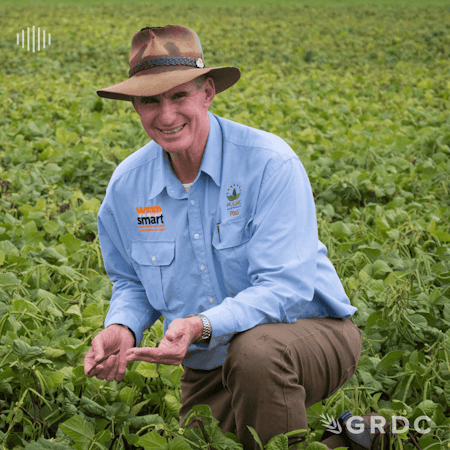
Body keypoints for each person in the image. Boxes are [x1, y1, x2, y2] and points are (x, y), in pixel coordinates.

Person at [84, 25, 386, 450]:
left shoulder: (268, 163)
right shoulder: (128, 187)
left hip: (309, 332)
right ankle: (362, 439)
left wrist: (201, 324)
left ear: (207, 92)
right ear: (135, 105)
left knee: (256, 353)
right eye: (150, 101)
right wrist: (123, 327)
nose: (166, 116)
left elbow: (285, 288)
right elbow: (131, 281)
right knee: (208, 442)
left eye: (178, 96)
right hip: (207, 362)